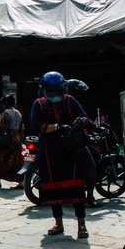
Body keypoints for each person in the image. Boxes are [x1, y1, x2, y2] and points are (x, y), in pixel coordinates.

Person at [31, 71, 89, 238]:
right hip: (50, 154)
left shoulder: (70, 101)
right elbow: (35, 126)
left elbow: (84, 117)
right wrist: (57, 127)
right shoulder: (38, 104)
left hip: (71, 151)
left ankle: (82, 225)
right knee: (54, 190)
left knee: (77, 189)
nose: (56, 97)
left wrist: (83, 122)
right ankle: (58, 223)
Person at [0, 95, 23, 189]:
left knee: (0, 159)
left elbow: (2, 127)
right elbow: (21, 127)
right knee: (16, 161)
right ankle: (20, 181)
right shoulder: (18, 113)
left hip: (6, 139)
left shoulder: (5, 113)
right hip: (17, 138)